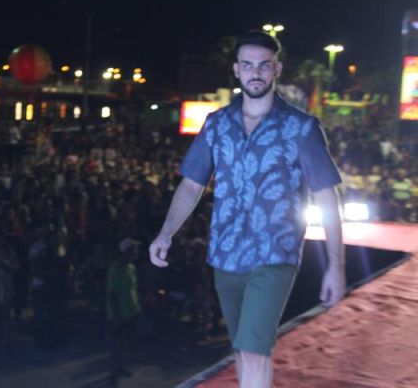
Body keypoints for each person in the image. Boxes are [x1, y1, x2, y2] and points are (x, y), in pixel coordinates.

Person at [149, 31, 346, 388]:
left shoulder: (301, 128)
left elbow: (327, 196)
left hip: (275, 255)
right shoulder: (216, 124)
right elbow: (192, 184)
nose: (256, 73)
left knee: (255, 353)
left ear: (277, 69)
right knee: (242, 351)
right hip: (224, 255)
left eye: (264, 65)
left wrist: (336, 265)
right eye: (248, 65)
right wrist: (166, 233)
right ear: (237, 70)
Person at [107, 238, 141, 383]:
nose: (136, 252)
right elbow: (112, 294)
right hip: (119, 313)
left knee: (125, 343)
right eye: (133, 249)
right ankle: (114, 372)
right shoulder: (115, 268)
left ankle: (121, 367)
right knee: (117, 344)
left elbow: (134, 289)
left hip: (131, 311)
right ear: (125, 251)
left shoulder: (132, 267)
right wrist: (116, 316)